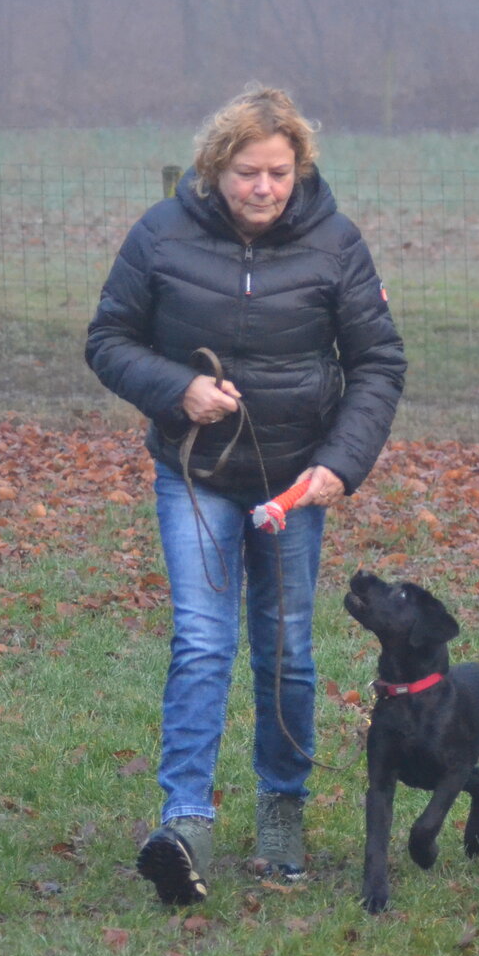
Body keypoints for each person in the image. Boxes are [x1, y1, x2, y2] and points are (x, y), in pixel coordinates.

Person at [85, 85, 406, 906]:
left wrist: (341, 466)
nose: (264, 188)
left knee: (287, 649)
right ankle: (185, 820)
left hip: (295, 484)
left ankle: (281, 812)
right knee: (201, 642)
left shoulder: (337, 244)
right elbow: (108, 340)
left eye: (278, 173)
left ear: (300, 169)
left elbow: (378, 363)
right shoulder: (159, 235)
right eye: (246, 172)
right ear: (214, 168)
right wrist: (179, 390)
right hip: (195, 478)